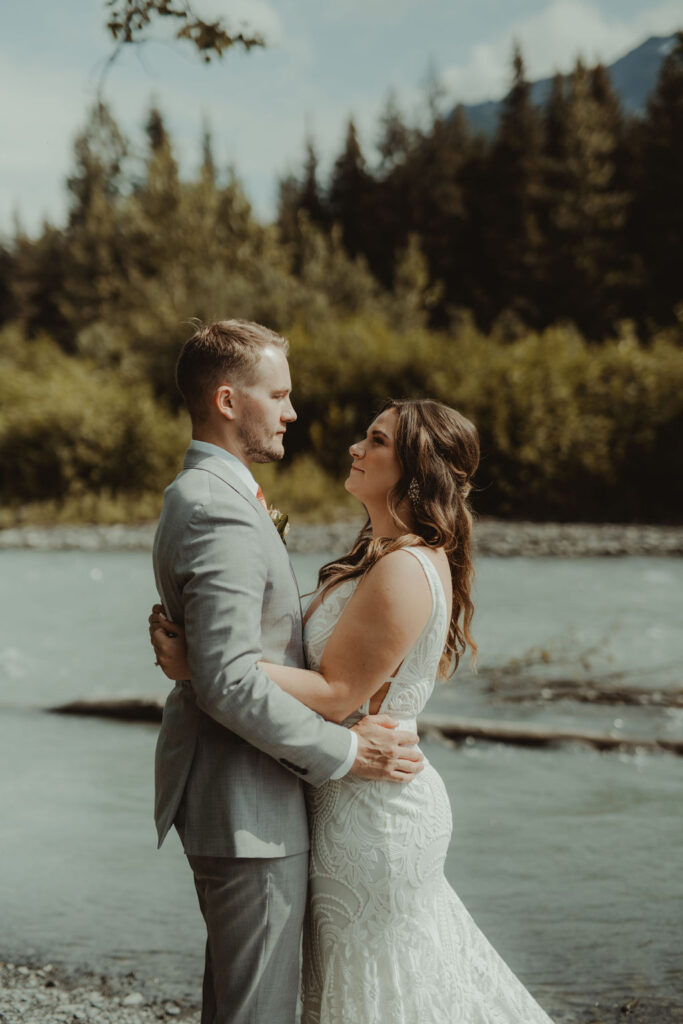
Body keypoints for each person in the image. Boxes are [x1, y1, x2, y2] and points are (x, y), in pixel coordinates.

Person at [151, 395, 556, 1023]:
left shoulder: (403, 568)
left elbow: (338, 693)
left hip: (374, 812)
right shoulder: (378, 555)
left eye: (376, 440)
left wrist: (206, 665)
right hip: (346, 790)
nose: (355, 448)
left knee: (375, 985)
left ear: (416, 468)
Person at [151, 320, 425, 1024]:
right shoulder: (217, 507)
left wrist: (200, 667)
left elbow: (228, 665)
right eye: (278, 395)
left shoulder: (219, 495)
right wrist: (345, 752)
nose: (292, 412)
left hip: (244, 800)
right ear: (226, 400)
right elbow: (231, 681)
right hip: (248, 809)